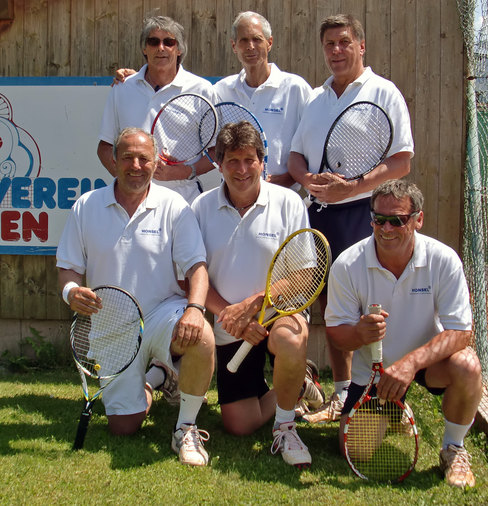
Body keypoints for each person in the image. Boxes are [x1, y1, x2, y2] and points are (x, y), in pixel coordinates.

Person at [57, 127, 215, 466]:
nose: (135, 165)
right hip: (112, 326)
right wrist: (72, 292)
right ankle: (157, 376)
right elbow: (68, 269)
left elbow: (197, 268)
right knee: (124, 428)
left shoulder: (174, 206)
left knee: (201, 335)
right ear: (113, 161)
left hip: (162, 314)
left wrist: (195, 309)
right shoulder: (86, 206)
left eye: (144, 158)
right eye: (127, 157)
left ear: (156, 164)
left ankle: (185, 427)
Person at [287, 14, 414, 423]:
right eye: (330, 45)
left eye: (344, 42)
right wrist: (308, 180)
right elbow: (295, 156)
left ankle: (386, 395)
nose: (337, 51)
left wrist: (353, 187)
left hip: (366, 216)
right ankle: (343, 396)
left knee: (374, 308)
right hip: (319, 216)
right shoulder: (315, 98)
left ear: (361, 46)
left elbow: (401, 161)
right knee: (332, 308)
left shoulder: (384, 93)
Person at [325, 179, 482, 488]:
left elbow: (461, 332)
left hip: (427, 365)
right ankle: (393, 412)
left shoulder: (443, 259)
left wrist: (410, 364)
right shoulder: (347, 264)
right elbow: (336, 335)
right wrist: (359, 332)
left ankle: (453, 448)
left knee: (467, 365)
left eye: (398, 220)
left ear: (418, 219)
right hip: (373, 374)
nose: (386, 228)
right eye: (378, 219)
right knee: (354, 450)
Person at [191, 121, 320, 469]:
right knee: (238, 424)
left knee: (292, 341)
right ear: (219, 164)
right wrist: (228, 314)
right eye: (232, 160)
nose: (242, 169)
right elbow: (195, 274)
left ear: (263, 162)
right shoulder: (200, 209)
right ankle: (293, 386)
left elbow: (305, 275)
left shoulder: (289, 203)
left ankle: (286, 426)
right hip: (230, 327)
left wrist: (255, 304)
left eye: (250, 159)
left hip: (278, 316)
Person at [98, 15, 217, 204]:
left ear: (179, 49)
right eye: (153, 41)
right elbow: (104, 147)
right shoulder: (122, 88)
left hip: (185, 202)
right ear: (145, 48)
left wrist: (184, 171)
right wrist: (128, 180)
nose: (161, 48)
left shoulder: (202, 90)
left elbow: (217, 151)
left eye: (169, 42)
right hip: (133, 204)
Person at [213, 11, 312, 188]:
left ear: (270, 43)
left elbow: (312, 146)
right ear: (234, 46)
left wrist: (289, 178)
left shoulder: (296, 88)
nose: (250, 46)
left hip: (283, 194)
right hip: (233, 198)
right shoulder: (221, 90)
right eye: (243, 40)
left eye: (257, 39)